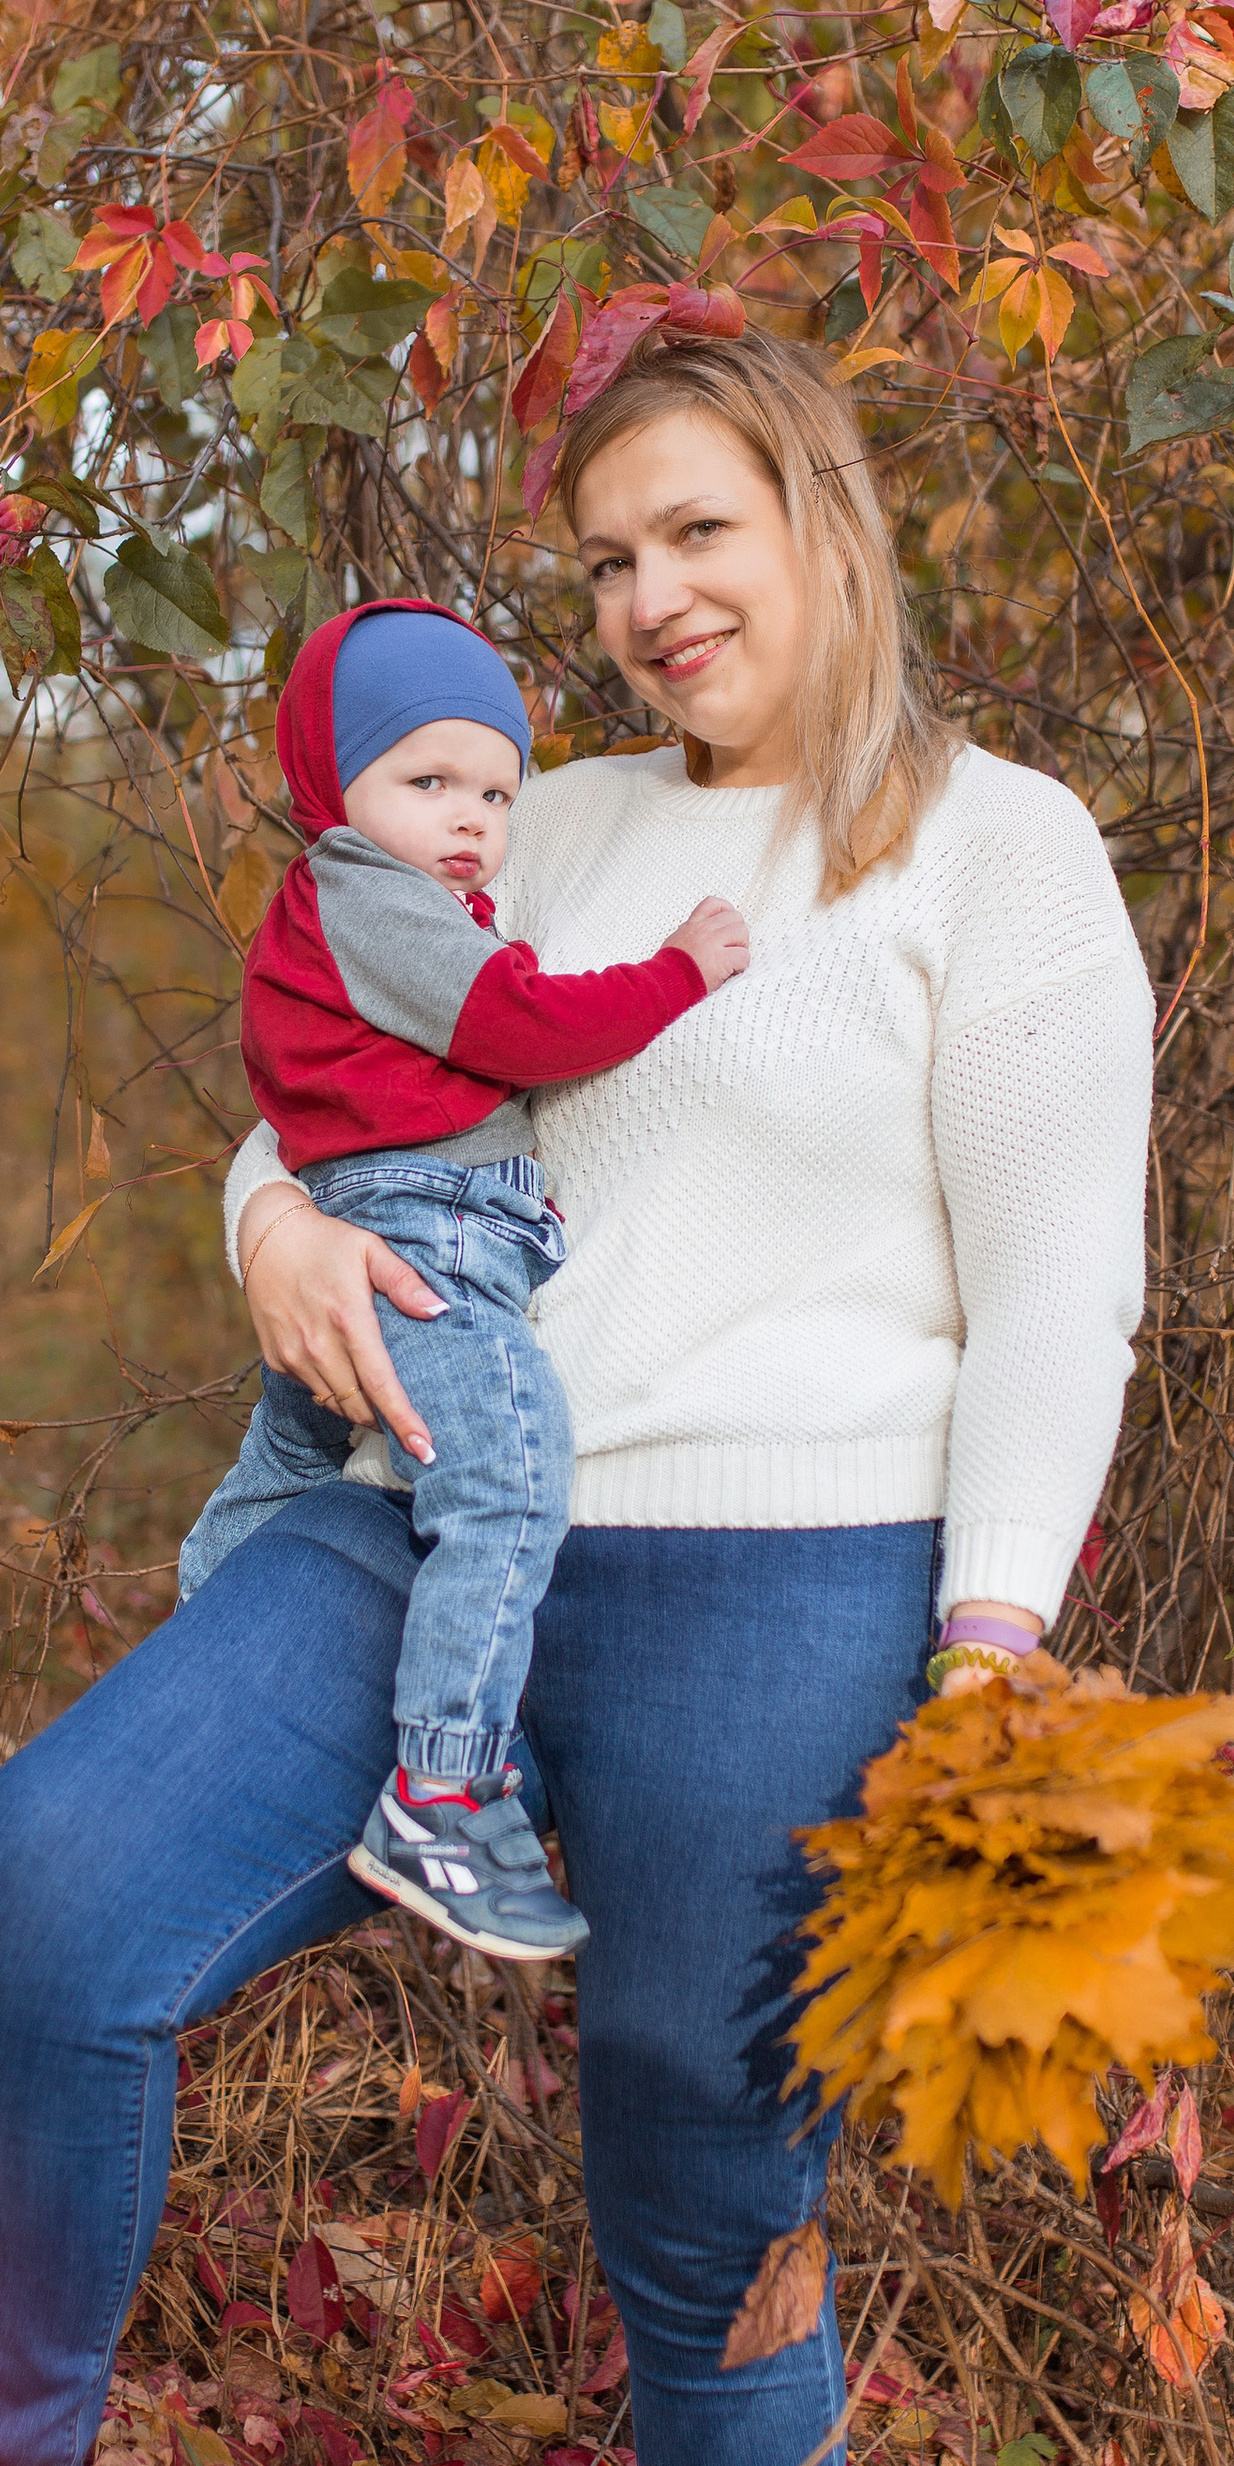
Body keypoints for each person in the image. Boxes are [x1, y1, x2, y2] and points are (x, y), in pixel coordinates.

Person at [0, 317, 1154, 2466]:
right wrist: (270, 1236)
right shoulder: (522, 826)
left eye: (699, 530)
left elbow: (1060, 1282)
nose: (653, 600)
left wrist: (996, 1638)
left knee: (705, 2170)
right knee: (51, 1891)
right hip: (419, 1503)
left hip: (786, 1571)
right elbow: (315, 1080)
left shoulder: (996, 856)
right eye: (605, 560)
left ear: (821, 507)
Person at [178, 593, 747, 1960]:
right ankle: (441, 1786)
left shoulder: (383, 899)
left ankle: (210, 1615)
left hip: (392, 1218)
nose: (472, 817)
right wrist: (677, 974)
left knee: (299, 1450)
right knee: (505, 1466)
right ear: (333, 784)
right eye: (427, 781)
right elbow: (517, 1024)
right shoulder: (368, 894)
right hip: (424, 1241)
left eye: (495, 787)